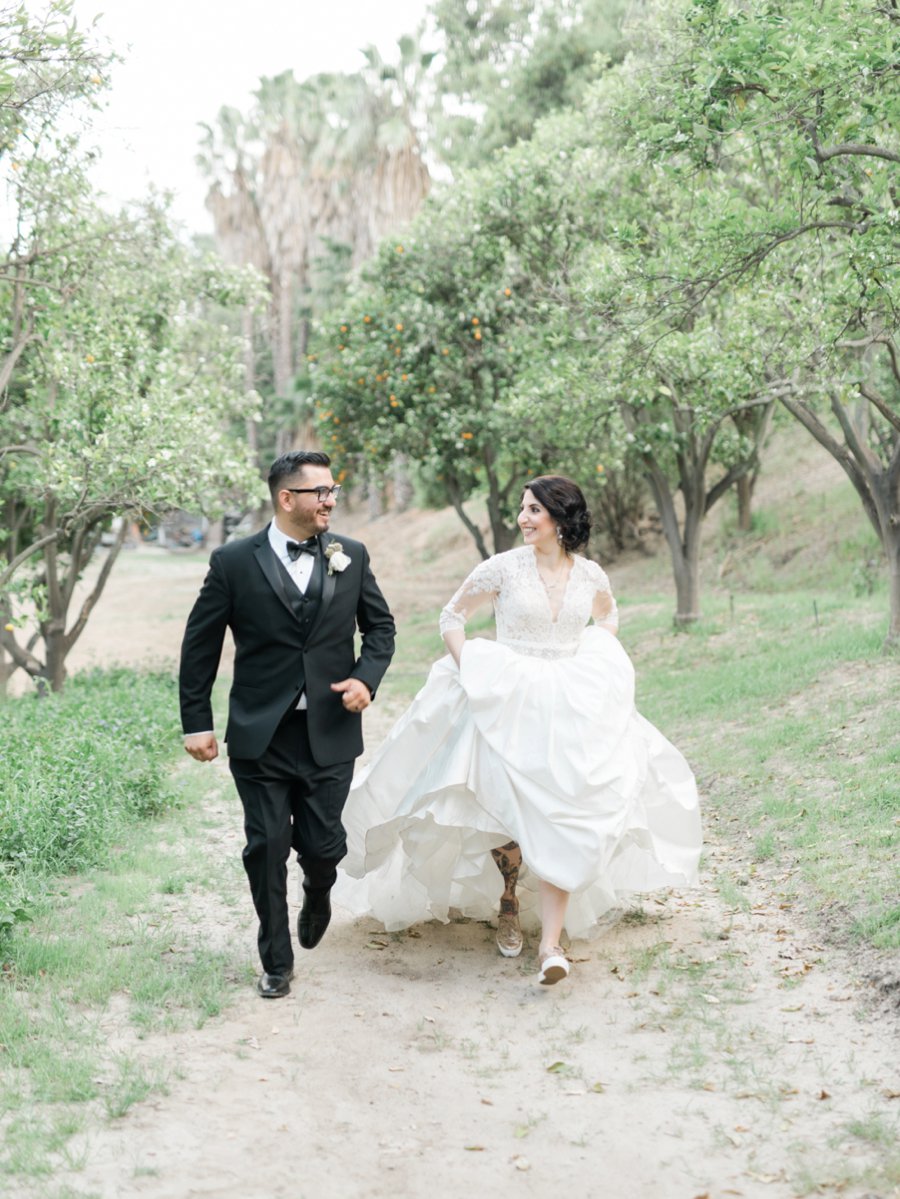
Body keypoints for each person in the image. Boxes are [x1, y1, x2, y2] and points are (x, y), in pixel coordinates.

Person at [338, 475, 701, 985]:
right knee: (508, 807)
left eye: (534, 510)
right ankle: (508, 900)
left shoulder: (591, 574)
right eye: (523, 509)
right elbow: (451, 616)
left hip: (571, 704)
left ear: (561, 517)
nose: (523, 519)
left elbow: (608, 618)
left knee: (568, 808)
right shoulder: (503, 569)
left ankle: (550, 946)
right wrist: (473, 667)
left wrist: (592, 660)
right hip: (507, 697)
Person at [179, 451, 395, 999]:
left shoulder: (352, 555)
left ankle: (318, 891)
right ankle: (276, 958)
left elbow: (381, 628)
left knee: (324, 846)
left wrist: (366, 679)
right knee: (266, 846)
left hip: (330, 731)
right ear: (286, 499)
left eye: (332, 491)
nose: (330, 501)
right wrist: (196, 721)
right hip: (260, 734)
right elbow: (200, 646)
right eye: (320, 492)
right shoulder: (231, 562)